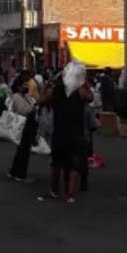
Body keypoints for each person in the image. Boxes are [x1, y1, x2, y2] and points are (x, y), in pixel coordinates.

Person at [40, 68, 93, 203]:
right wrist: (85, 83)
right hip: (76, 133)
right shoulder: (80, 91)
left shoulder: (55, 91)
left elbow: (40, 101)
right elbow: (90, 97)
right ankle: (69, 194)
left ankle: (54, 191)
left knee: (57, 163)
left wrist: (48, 84)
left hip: (59, 132)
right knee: (74, 165)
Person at [7, 76, 38, 183]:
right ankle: (20, 174)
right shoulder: (17, 97)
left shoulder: (25, 96)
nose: (26, 87)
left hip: (27, 125)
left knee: (21, 151)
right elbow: (22, 110)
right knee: (23, 151)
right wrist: (33, 107)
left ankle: (14, 172)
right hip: (23, 126)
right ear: (18, 87)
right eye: (24, 85)